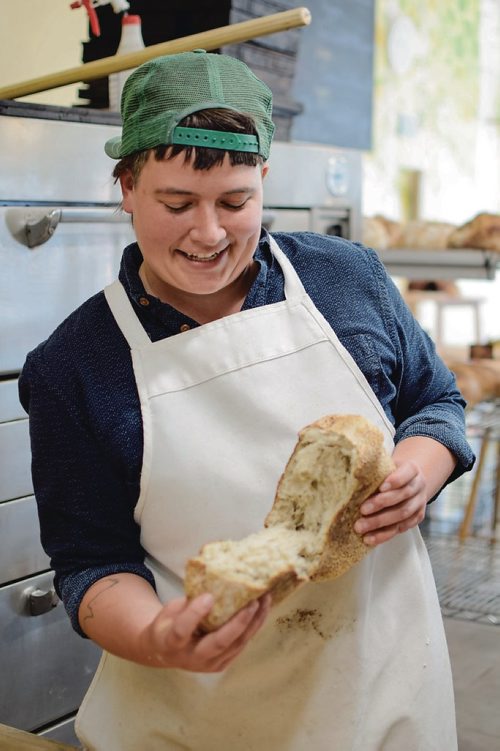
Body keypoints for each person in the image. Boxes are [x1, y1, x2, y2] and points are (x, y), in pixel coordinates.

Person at [19, 50, 475, 751]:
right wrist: (154, 635)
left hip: (383, 694)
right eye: (177, 204)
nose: (208, 234)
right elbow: (90, 561)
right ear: (127, 186)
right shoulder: (74, 366)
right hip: (198, 715)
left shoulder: (347, 280)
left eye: (236, 202)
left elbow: (435, 400)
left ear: (264, 179)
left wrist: (422, 466)